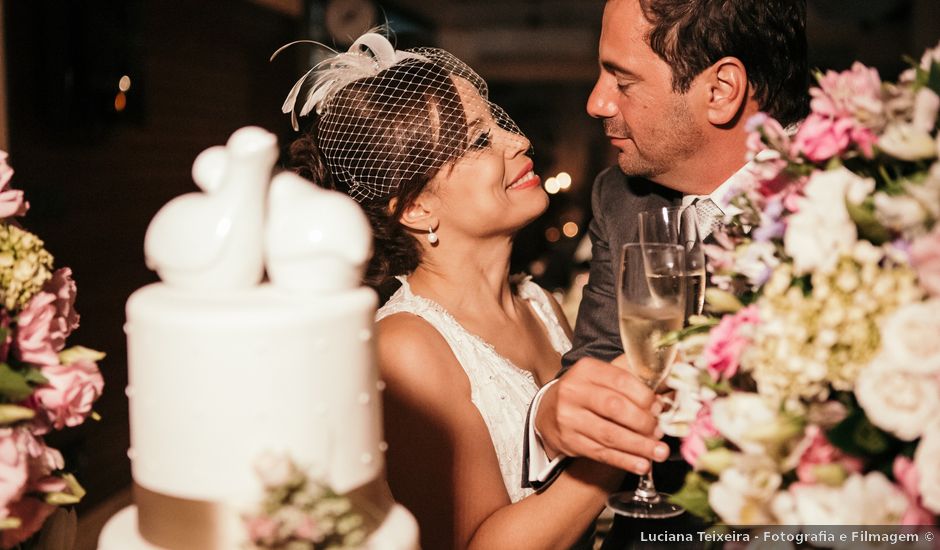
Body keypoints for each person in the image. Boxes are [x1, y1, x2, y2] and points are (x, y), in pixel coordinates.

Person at [282, 32, 625, 549]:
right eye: (479, 141)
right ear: (417, 207)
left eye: (499, 124)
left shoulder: (539, 303)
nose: (520, 142)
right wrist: (618, 445)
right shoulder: (404, 349)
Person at [523, 0, 808, 544]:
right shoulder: (620, 197)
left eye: (622, 79)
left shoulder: (858, 190)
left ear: (721, 90)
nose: (595, 100)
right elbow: (598, 363)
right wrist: (554, 411)